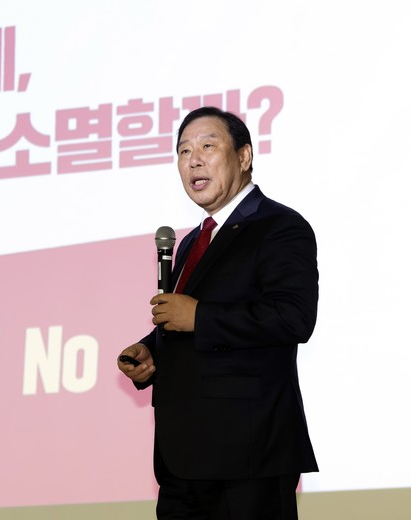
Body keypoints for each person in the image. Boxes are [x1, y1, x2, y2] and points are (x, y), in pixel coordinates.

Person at [117, 106, 318, 520]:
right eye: (184, 151)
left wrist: (200, 317)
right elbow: (187, 322)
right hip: (182, 461)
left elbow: (293, 317)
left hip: (248, 457)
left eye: (208, 146)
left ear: (244, 156)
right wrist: (152, 350)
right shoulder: (193, 241)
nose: (193, 160)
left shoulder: (280, 226)